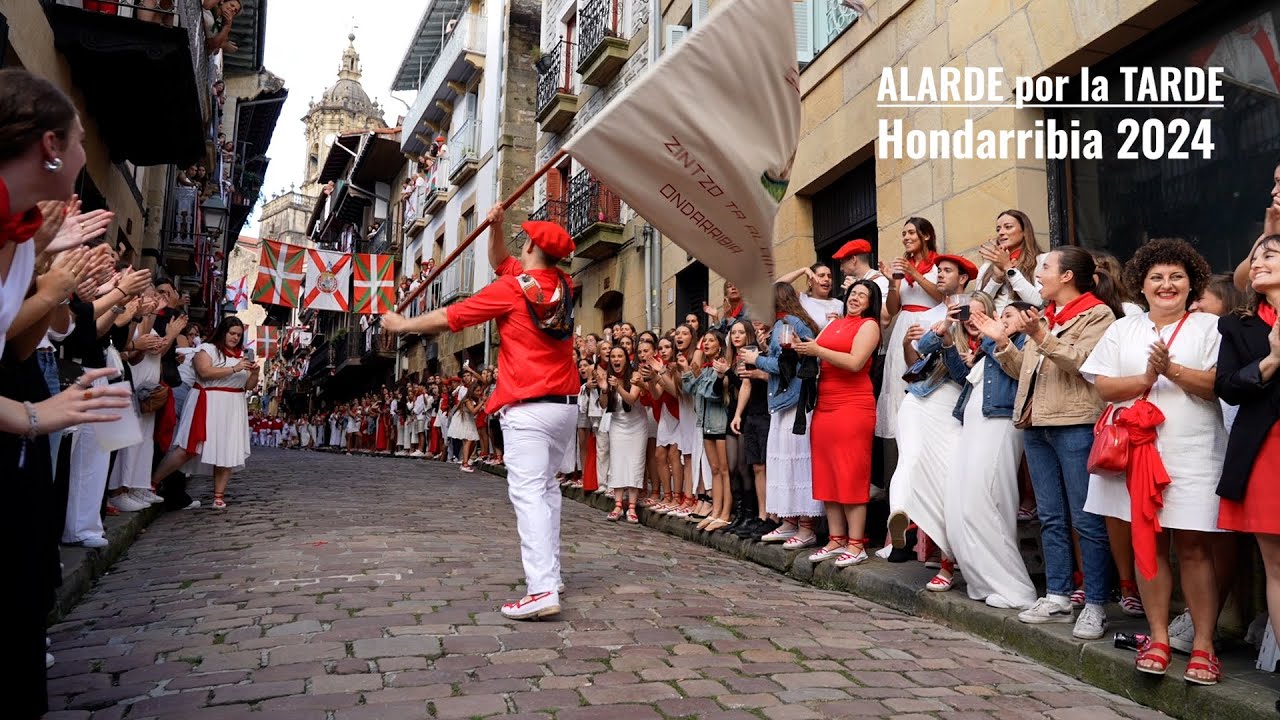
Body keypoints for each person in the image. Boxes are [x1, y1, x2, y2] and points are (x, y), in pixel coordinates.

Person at [383, 205, 579, 621]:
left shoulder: (512, 291)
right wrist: (493, 229)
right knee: (547, 491)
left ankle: (542, 589)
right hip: (563, 407)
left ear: (529, 246)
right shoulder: (565, 283)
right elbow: (504, 263)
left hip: (527, 407)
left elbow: (451, 316)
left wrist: (402, 326)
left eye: (520, 240)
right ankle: (552, 573)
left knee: (529, 496)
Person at [1080, 238, 1226, 684]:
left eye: (1176, 277)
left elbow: (1219, 384)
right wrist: (1146, 377)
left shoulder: (1210, 328)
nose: (1167, 285)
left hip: (1192, 452)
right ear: (1140, 285)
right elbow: (1103, 386)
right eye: (1156, 277)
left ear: (1191, 283)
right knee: (1148, 544)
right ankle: (1158, 637)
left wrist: (1172, 372)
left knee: (1195, 548)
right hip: (1132, 454)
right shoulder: (1125, 329)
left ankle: (1204, 645)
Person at [996, 247, 1122, 640]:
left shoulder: (1098, 314)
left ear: (1067, 276)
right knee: (1050, 517)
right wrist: (1002, 344)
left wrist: (1040, 336)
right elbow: (1025, 372)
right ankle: (1058, 595)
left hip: (1075, 424)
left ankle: (1096, 603)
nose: (1039, 274)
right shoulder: (1046, 316)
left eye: (1046, 267)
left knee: (1086, 519)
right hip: (1037, 424)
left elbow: (1083, 364)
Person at [1216, 234, 1280, 676]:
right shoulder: (1238, 324)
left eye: (1269, 255)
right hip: (1264, 447)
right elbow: (1227, 385)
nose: (1256, 262)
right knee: (1277, 565)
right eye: (1254, 256)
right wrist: (1272, 360)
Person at [800, 280, 881, 567]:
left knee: (850, 471)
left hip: (853, 404)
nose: (856, 298)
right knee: (827, 471)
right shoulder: (834, 323)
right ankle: (836, 539)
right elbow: (815, 350)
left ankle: (856, 543)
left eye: (863, 295)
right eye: (853, 293)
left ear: (871, 302)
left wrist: (817, 351)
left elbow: (855, 362)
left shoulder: (868, 325)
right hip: (826, 404)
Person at [150, 317, 257, 509]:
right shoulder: (207, 349)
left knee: (227, 450)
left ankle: (218, 496)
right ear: (223, 331)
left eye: (239, 335)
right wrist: (235, 368)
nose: (235, 337)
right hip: (207, 401)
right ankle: (152, 483)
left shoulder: (240, 356)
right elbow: (204, 372)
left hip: (233, 405)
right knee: (187, 449)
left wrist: (254, 373)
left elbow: (247, 385)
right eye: (232, 333)